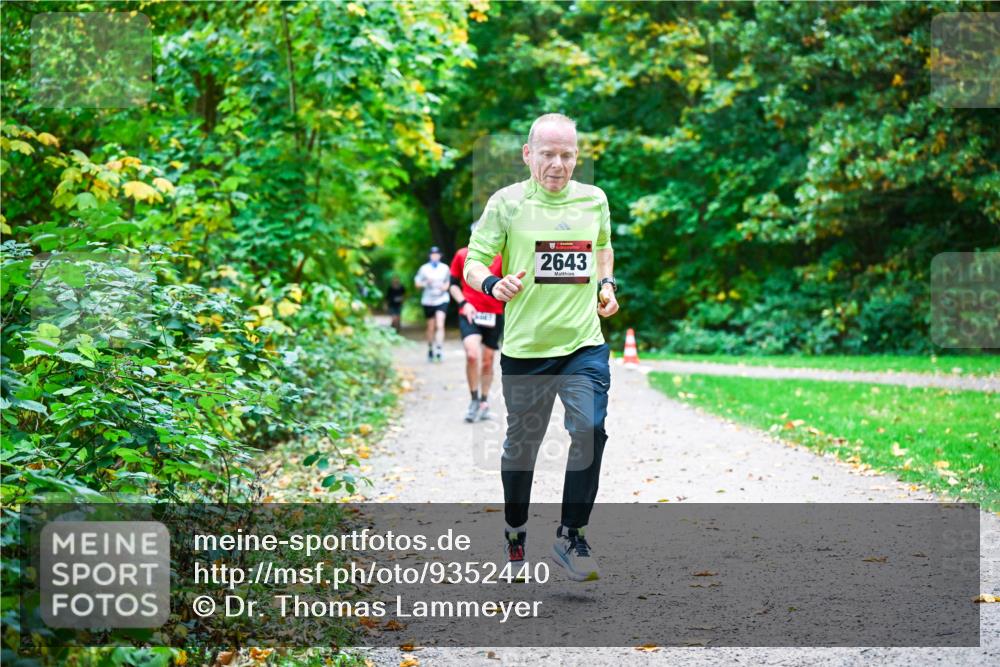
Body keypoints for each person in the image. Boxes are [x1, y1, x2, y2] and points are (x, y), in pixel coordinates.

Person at [464, 113, 619, 582]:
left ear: (577, 156)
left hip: (583, 344)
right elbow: (472, 262)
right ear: (528, 154)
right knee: (522, 447)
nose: (558, 164)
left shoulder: (594, 200)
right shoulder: (507, 204)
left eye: (567, 155)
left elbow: (603, 247)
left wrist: (606, 284)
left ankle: (572, 535)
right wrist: (493, 283)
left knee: (591, 429)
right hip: (527, 350)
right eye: (548, 154)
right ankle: (515, 530)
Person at [449, 235, 504, 423]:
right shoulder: (463, 254)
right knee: (472, 354)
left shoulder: (503, 257)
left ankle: (484, 401)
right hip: (470, 311)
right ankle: (473, 400)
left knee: (488, 361)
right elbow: (453, 285)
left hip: (494, 313)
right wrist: (463, 303)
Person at [414, 246, 451, 362]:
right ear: (430, 256)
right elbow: (417, 284)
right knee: (431, 327)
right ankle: (430, 348)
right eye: (432, 254)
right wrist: (426, 282)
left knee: (440, 324)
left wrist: (444, 287)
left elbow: (449, 282)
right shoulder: (423, 269)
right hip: (428, 300)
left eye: (437, 254)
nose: (435, 256)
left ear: (440, 255)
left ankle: (439, 349)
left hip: (442, 299)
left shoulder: (445, 268)